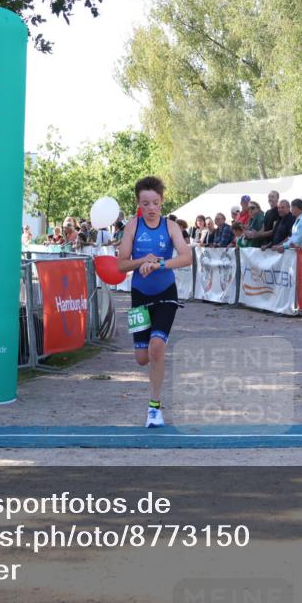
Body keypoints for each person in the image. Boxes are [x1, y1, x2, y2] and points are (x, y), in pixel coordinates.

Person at [116, 176, 192, 428]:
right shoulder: (132, 227)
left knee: (156, 346)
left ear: (161, 202)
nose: (151, 208)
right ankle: (152, 364)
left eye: (155, 203)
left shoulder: (170, 227)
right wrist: (142, 261)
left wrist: (159, 263)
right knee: (142, 357)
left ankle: (154, 408)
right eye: (145, 203)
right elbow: (120, 264)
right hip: (139, 295)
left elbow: (186, 257)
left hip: (166, 293)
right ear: (139, 203)